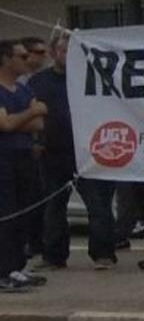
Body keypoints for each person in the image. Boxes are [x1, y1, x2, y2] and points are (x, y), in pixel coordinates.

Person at [29, 32, 113, 270]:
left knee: (98, 206)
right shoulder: (39, 81)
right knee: (53, 208)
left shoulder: (91, 78)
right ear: (54, 52)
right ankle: (54, 256)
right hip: (53, 152)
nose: (67, 56)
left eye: (72, 51)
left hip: (86, 152)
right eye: (64, 50)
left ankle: (103, 253)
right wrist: (36, 140)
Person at [0, 38, 51, 291]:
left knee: (23, 213)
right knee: (6, 214)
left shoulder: (22, 89)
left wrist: (21, 118)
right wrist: (30, 113)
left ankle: (16, 266)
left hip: (24, 155)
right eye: (21, 56)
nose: (26, 60)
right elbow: (5, 125)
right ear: (6, 60)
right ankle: (3, 270)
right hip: (4, 158)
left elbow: (39, 124)